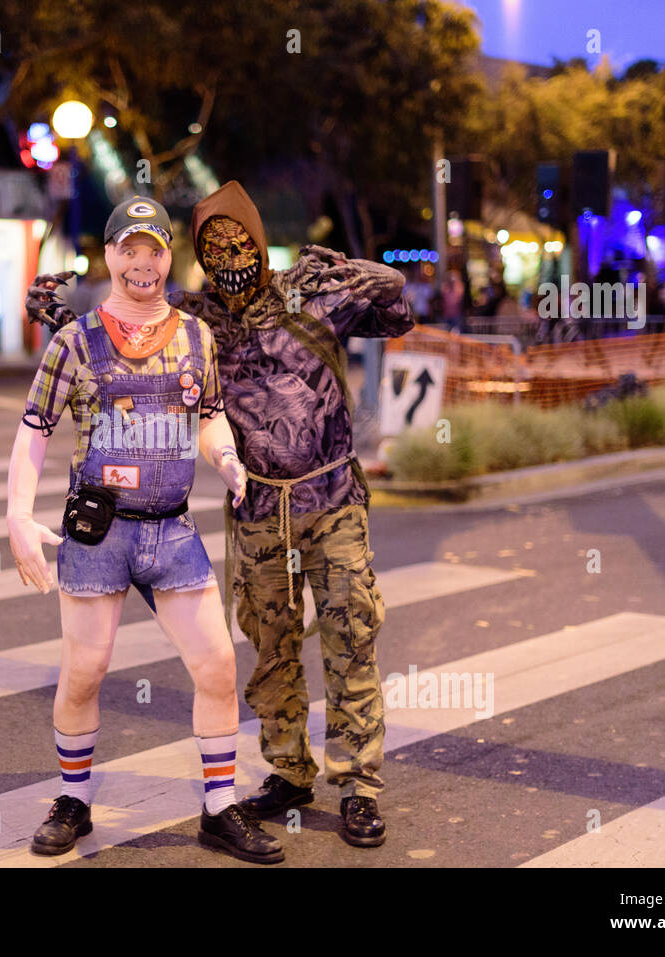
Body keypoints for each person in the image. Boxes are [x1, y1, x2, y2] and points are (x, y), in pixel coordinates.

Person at [29, 181, 412, 851]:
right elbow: (125, 338)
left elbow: (399, 313)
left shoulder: (307, 290)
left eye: (241, 240)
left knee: (352, 633)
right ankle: (290, 770)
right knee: (270, 644)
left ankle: (357, 784)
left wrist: (378, 275)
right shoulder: (195, 311)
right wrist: (58, 314)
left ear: (260, 241)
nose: (230, 252)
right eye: (214, 244)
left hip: (332, 502)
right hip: (259, 507)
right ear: (200, 255)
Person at [9, 196, 283, 864]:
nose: (141, 263)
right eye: (127, 249)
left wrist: (226, 456)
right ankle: (74, 799)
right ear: (108, 256)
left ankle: (220, 807)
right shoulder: (75, 341)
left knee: (217, 663)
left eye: (153, 249)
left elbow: (211, 413)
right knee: (85, 669)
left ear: (169, 257)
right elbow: (33, 433)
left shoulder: (196, 336)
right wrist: (17, 514)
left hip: (170, 530)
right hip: (98, 532)